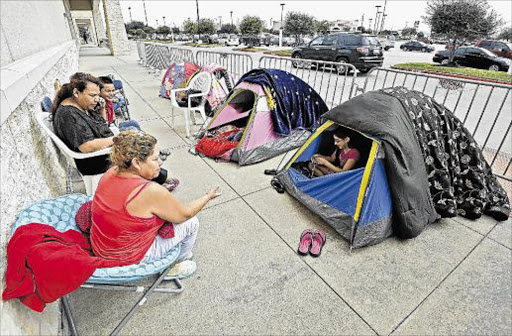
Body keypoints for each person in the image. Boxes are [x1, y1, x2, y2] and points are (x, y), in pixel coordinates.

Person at [91, 130, 221, 277]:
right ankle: (177, 264)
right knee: (192, 222)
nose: (160, 163)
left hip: (101, 246)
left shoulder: (111, 172)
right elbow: (185, 213)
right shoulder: (150, 191)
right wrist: (207, 197)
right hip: (126, 257)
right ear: (136, 162)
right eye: (155, 159)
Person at [51, 72, 177, 190]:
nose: (96, 99)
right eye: (92, 96)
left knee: (138, 141)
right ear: (76, 92)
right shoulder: (68, 114)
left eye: (97, 95)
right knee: (137, 152)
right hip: (94, 160)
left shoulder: (80, 105)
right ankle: (157, 176)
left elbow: (102, 124)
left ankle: (155, 166)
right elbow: (86, 146)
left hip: (102, 151)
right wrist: (116, 139)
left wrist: (102, 110)